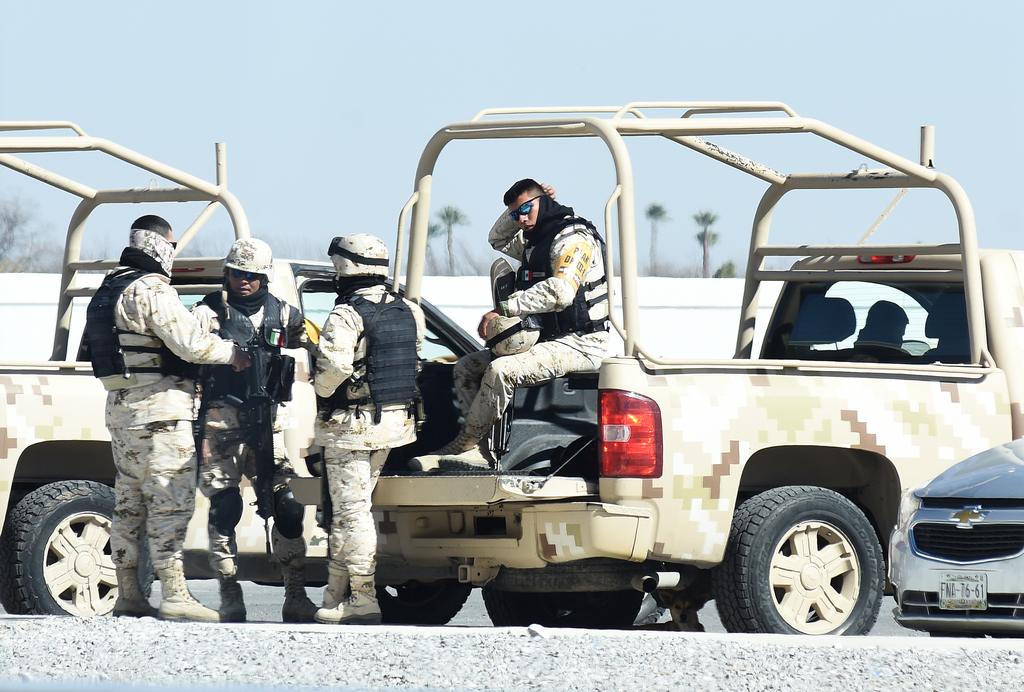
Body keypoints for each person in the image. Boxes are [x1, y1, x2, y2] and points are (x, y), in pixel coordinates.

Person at [85, 215, 250, 622]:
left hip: (122, 412)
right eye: (172, 245)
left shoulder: (108, 289)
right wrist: (232, 353)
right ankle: (175, 594)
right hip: (161, 412)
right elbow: (191, 344)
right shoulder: (152, 289)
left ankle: (129, 594)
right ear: (161, 245)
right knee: (170, 503)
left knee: (129, 505)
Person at [411, 178, 609, 470]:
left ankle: (468, 445)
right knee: (466, 367)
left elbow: (561, 292)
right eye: (516, 214)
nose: (521, 219)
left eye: (526, 209)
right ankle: (479, 448)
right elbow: (498, 239)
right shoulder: (536, 241)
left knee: (501, 370)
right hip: (547, 340)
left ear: (545, 202)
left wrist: (504, 309)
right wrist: (517, 210)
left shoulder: (573, 239)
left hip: (580, 343)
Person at [191, 238, 318, 623]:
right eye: (237, 273)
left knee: (290, 505)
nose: (243, 281)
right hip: (219, 427)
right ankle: (230, 593)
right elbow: (189, 368)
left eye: (251, 275)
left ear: (264, 278)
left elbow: (319, 347)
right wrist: (196, 432)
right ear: (226, 274)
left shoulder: (285, 314)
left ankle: (295, 595)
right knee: (225, 507)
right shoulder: (207, 313)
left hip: (269, 426)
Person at [312, 233, 424, 625]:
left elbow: (333, 370)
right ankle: (333, 595)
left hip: (351, 429)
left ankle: (362, 598)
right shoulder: (409, 310)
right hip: (393, 425)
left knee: (352, 512)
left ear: (346, 267)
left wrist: (319, 390)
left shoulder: (346, 314)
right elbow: (416, 360)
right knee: (349, 509)